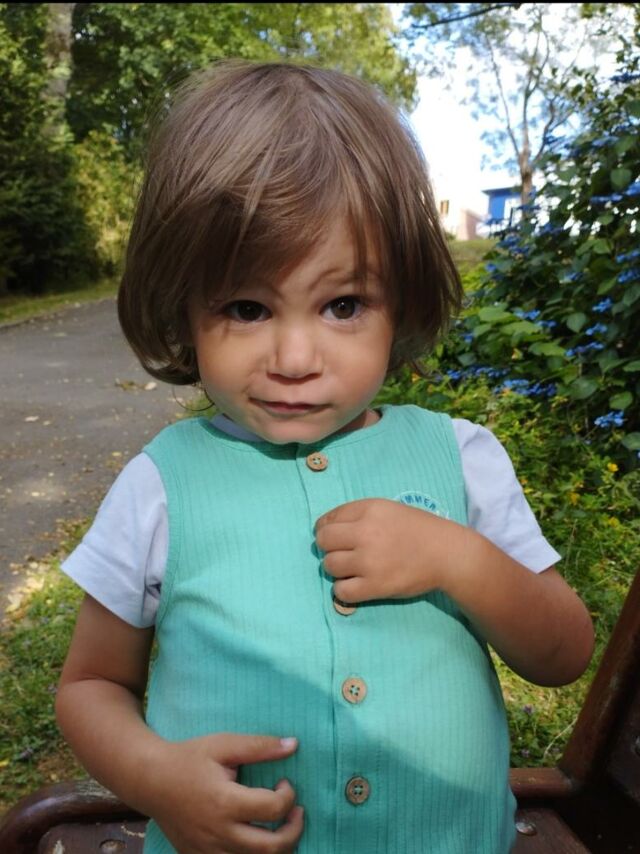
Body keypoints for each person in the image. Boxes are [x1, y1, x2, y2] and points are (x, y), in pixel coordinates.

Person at [56, 61, 594, 854]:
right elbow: (92, 683)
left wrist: (460, 560)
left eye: (343, 305)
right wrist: (155, 778)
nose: (295, 358)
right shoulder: (163, 485)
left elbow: (564, 654)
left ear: (400, 301)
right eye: (247, 308)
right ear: (184, 308)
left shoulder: (461, 460)